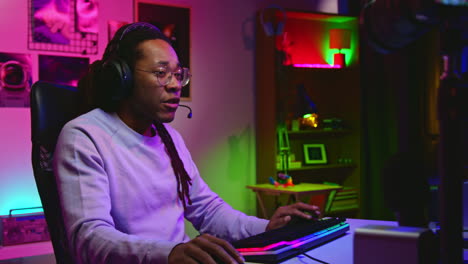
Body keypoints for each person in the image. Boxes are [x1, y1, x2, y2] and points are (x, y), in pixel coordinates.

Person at [53, 22, 320, 264]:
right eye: (161, 73)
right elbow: (89, 240)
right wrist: (169, 253)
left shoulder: (170, 139)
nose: (175, 85)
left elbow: (208, 211)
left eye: (178, 74)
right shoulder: (84, 136)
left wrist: (267, 227)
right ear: (122, 78)